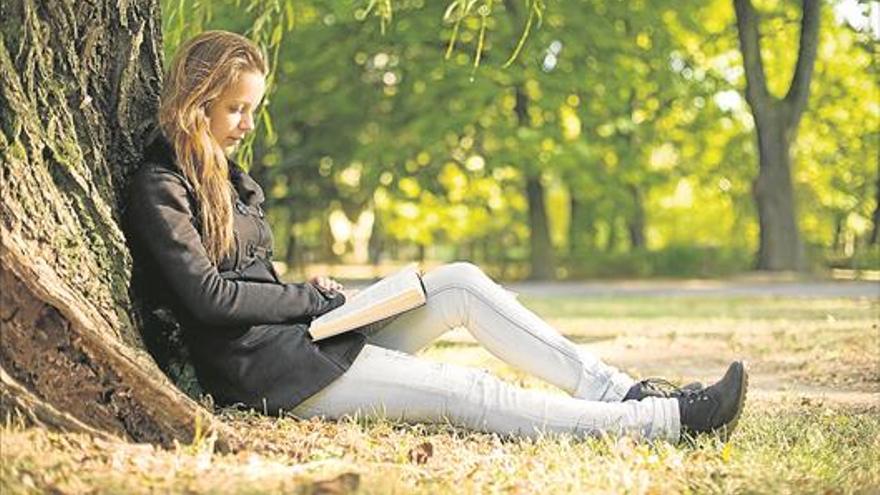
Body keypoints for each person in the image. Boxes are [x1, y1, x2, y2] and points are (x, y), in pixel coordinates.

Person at [125, 30, 748, 444]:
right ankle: (665, 422)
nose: (246, 124)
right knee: (470, 392)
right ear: (196, 100)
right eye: (235, 108)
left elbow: (250, 283)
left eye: (252, 109)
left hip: (306, 342)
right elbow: (210, 298)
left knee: (458, 284)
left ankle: (622, 389)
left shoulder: (228, 180)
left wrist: (316, 302)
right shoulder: (160, 185)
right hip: (275, 375)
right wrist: (311, 298)